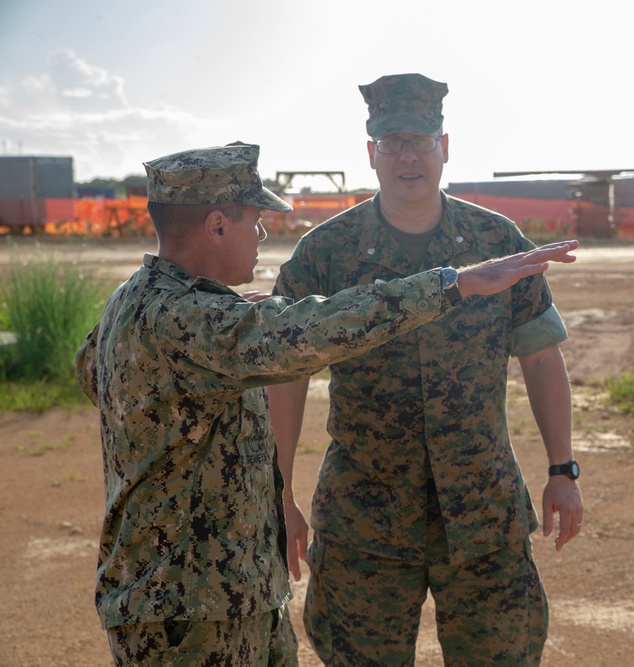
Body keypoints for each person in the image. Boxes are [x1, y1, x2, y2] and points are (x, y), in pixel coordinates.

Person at [75, 141, 578, 667]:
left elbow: (93, 370)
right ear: (217, 225)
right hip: (189, 611)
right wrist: (454, 283)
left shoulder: (147, 302)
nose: (263, 235)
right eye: (255, 220)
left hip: (221, 598)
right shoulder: (186, 319)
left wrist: (221, 329)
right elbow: (310, 332)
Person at [267, 73, 585, 666]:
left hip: (483, 513)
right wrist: (279, 495)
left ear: (445, 146)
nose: (407, 156)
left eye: (420, 140)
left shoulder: (496, 240)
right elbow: (287, 376)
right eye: (391, 144)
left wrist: (562, 470)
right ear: (371, 154)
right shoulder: (326, 253)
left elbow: (542, 357)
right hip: (366, 523)